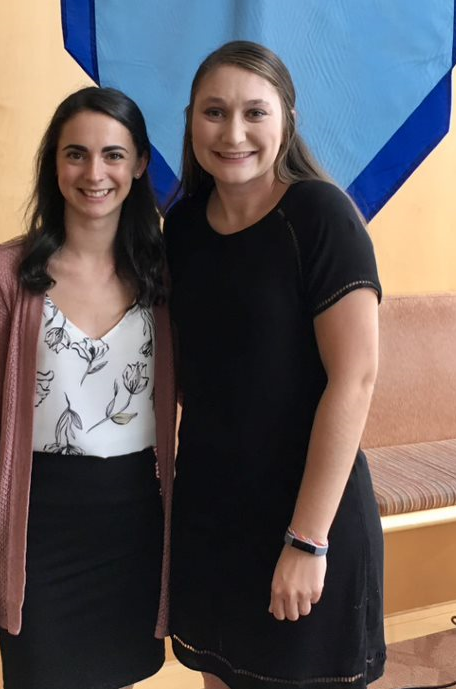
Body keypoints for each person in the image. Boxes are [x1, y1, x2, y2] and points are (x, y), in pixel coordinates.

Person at [164, 41, 386, 689]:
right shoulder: (179, 229)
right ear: (190, 120)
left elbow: (355, 378)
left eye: (253, 112)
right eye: (213, 111)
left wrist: (307, 539)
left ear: (285, 119)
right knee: (221, 674)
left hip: (305, 511)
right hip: (212, 512)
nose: (232, 132)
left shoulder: (319, 215)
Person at [0, 86, 176, 689]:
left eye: (113, 154)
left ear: (138, 165)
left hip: (135, 526)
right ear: (53, 164)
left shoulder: (166, 273)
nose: (94, 172)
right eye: (75, 153)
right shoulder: (4, 272)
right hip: (37, 530)